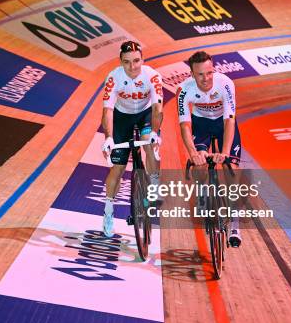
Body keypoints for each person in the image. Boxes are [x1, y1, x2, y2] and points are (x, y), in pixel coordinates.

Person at [176, 51, 242, 247]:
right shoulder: (184, 90)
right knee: (200, 166)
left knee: (232, 170)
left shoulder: (226, 84)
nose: (206, 78)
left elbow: (229, 120)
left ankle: (235, 226)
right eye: (200, 75)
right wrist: (193, 154)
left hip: (223, 125)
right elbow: (185, 126)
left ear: (213, 69)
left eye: (209, 72)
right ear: (192, 74)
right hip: (201, 124)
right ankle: (203, 194)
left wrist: (225, 153)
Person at [101, 40, 163, 238]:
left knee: (150, 146)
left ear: (142, 60)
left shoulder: (152, 76)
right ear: (120, 62)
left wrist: (154, 132)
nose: (132, 66)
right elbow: (108, 110)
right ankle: (108, 212)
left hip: (145, 114)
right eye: (127, 62)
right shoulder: (113, 77)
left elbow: (157, 108)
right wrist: (109, 137)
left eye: (136, 61)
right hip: (122, 117)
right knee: (117, 168)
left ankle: (154, 184)